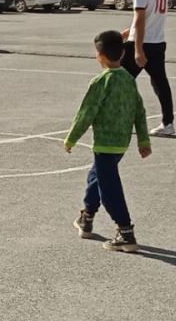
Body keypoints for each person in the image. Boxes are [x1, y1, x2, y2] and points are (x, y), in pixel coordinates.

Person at [65, 29, 151, 253]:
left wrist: (72, 138)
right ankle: (87, 217)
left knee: (109, 188)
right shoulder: (129, 80)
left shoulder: (100, 81)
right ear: (122, 54)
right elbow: (139, 111)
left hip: (104, 143)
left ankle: (125, 232)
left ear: (99, 56)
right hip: (121, 144)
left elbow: (86, 113)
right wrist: (143, 140)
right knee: (96, 176)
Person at [120, 0, 176, 137]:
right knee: (160, 83)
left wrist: (138, 49)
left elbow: (141, 18)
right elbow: (149, 15)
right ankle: (168, 123)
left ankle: (122, 119)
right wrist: (129, 30)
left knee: (120, 81)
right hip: (157, 41)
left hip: (142, 42)